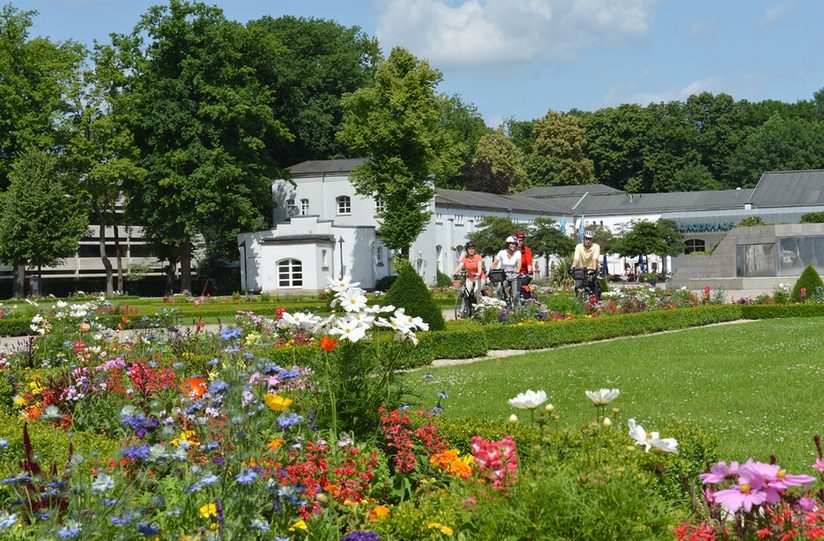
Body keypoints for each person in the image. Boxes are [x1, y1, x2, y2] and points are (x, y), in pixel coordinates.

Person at [491, 235, 522, 305]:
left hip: (515, 276)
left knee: (515, 295)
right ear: (508, 244)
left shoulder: (517, 253)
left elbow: (519, 263)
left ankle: (516, 310)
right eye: (512, 244)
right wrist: (491, 269)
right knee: (499, 290)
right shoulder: (502, 253)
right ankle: (503, 304)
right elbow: (495, 262)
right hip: (504, 276)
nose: (513, 246)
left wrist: (518, 269)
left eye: (515, 244)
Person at [571, 231, 601, 298]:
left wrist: (593, 270)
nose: (588, 241)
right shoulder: (578, 246)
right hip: (582, 270)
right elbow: (576, 259)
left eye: (590, 239)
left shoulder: (596, 246)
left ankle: (595, 299)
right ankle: (579, 299)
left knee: (593, 281)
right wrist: (572, 269)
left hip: (592, 269)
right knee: (578, 285)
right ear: (583, 239)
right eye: (586, 239)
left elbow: (594, 259)